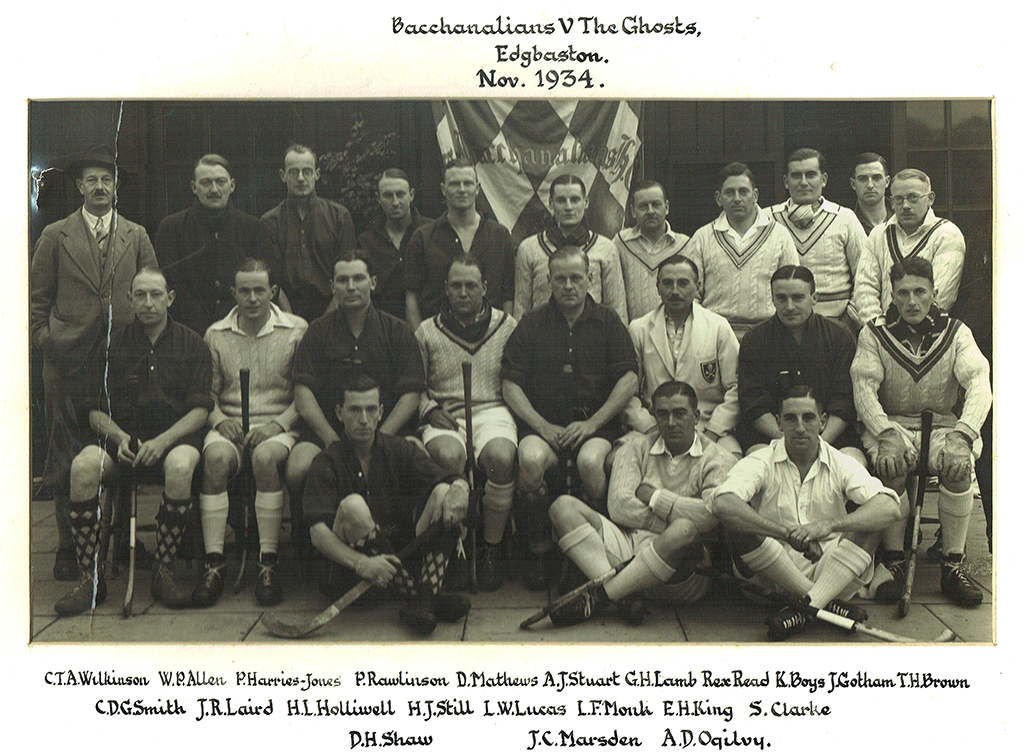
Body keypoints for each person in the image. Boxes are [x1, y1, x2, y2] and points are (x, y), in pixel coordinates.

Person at [30, 147, 158, 582]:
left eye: (107, 179)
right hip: (67, 364)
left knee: (123, 446)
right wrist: (47, 341)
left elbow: (151, 290)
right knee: (65, 451)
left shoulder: (136, 235)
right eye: (91, 180)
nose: (100, 187)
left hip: (121, 362)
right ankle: (69, 546)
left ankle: (121, 537)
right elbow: (35, 303)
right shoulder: (54, 236)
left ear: (116, 185)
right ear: (80, 187)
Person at [55, 267, 213, 616]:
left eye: (156, 294)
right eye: (140, 295)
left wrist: (165, 441)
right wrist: (121, 436)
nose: (148, 303)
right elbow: (94, 410)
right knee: (82, 467)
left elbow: (200, 410)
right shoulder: (111, 345)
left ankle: (164, 570)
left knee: (181, 464)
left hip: (175, 440)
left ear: (170, 298)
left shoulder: (193, 343)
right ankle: (90, 578)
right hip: (122, 443)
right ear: (130, 299)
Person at [851, 257, 991, 607]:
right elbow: (863, 387)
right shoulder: (874, 333)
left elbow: (979, 384)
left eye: (919, 292)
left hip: (943, 424)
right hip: (891, 424)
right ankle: (894, 561)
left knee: (958, 469)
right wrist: (885, 432)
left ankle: (951, 566)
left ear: (934, 293)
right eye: (903, 293)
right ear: (893, 295)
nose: (911, 301)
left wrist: (963, 436)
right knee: (892, 467)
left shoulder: (957, 332)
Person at [711, 386, 901, 640]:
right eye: (790, 418)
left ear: (822, 422)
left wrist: (828, 526)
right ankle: (821, 603)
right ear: (779, 423)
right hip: (770, 571)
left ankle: (804, 607)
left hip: (831, 568)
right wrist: (786, 534)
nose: (800, 427)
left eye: (808, 418)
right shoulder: (761, 460)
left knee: (871, 523)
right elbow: (722, 504)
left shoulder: (840, 461)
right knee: (737, 521)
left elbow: (889, 507)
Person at [502, 246, 639, 589]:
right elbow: (510, 384)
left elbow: (629, 378)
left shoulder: (608, 321)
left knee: (592, 463)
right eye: (560, 278)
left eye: (576, 278)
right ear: (548, 280)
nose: (568, 285)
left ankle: (592, 548)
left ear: (589, 278)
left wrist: (593, 423)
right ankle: (540, 551)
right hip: (543, 424)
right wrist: (541, 426)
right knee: (530, 460)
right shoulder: (531, 323)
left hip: (594, 425)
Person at [546, 381, 736, 626]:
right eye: (662, 414)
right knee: (562, 507)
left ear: (696, 416)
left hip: (681, 573)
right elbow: (619, 507)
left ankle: (604, 595)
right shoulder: (636, 445)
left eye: (680, 413)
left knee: (684, 530)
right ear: (654, 416)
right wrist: (674, 516)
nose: (670, 423)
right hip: (629, 551)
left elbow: (708, 518)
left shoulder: (719, 458)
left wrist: (655, 497)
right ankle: (622, 596)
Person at [303, 374, 472, 636]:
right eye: (354, 410)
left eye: (371, 409)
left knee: (443, 491)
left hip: (398, 563)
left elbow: (448, 477)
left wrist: (460, 490)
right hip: (355, 578)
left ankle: (422, 600)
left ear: (381, 412)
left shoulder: (399, 449)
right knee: (353, 506)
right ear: (339, 413)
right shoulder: (326, 461)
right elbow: (317, 534)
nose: (363, 419)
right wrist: (361, 563)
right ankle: (426, 596)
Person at [194, 258, 308, 608]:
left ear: (273, 292)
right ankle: (214, 565)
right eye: (244, 290)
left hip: (277, 425)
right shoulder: (216, 333)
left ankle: (267, 564)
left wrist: (278, 425)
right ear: (233, 293)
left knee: (264, 458)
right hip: (229, 422)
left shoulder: (296, 329)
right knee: (213, 459)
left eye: (260, 290)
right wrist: (217, 420)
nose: (253, 298)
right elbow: (207, 394)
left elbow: (303, 392)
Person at [290, 253, 425, 521]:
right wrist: (332, 440)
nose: (351, 287)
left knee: (420, 462)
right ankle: (307, 545)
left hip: (388, 432)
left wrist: (380, 440)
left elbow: (411, 395)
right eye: (343, 280)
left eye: (358, 278)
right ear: (332, 287)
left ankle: (408, 542)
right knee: (297, 467)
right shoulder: (316, 332)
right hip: (328, 433)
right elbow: (303, 394)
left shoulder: (397, 331)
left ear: (373, 283)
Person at [414, 255, 519, 591]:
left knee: (501, 458)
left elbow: (517, 380)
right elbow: (413, 386)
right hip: (446, 412)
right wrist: (429, 409)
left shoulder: (507, 326)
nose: (463, 292)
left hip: (493, 409)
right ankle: (454, 548)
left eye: (471, 285)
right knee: (447, 458)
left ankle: (489, 547)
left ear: (484, 287)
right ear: (445, 288)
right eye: (456, 285)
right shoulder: (427, 330)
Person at [737, 266, 863, 462]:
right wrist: (787, 441)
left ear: (814, 297)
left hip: (831, 436)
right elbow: (753, 403)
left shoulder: (839, 336)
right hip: (771, 436)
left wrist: (819, 442)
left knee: (854, 463)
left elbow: (844, 401)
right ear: (772, 299)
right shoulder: (754, 339)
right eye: (781, 298)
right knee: (757, 464)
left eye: (798, 298)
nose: (789, 306)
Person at [626, 255, 741, 456]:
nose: (675, 291)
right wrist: (650, 427)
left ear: (697, 286)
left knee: (732, 460)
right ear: (657, 287)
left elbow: (736, 387)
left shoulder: (717, 327)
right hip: (656, 426)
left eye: (683, 283)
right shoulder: (639, 329)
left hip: (706, 426)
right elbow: (628, 392)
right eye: (667, 283)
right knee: (617, 460)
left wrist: (713, 431)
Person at [156, 154, 273, 336]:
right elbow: (171, 285)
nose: (214, 189)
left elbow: (266, 281)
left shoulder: (254, 228)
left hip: (242, 330)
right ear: (194, 187)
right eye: (206, 183)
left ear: (232, 185)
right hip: (187, 332)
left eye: (221, 182)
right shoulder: (171, 228)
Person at [683, 162, 798, 340]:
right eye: (729, 192)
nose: (737, 198)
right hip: (714, 335)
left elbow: (792, 288)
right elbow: (691, 294)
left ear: (755, 195)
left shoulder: (780, 236)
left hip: (769, 336)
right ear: (718, 198)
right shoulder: (702, 237)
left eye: (743, 191)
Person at [405, 158, 515, 329]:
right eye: (455, 184)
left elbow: (508, 295)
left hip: (490, 337)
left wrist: (503, 334)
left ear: (477, 188)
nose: (462, 190)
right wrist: (420, 342)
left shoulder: (500, 235)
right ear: (443, 189)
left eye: (468, 183)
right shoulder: (423, 238)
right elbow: (411, 297)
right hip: (437, 338)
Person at [853, 168, 966, 324]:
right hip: (881, 331)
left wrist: (903, 330)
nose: (905, 205)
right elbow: (864, 289)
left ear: (930, 198)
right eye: (899, 199)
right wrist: (878, 328)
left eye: (913, 198)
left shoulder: (947, 234)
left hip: (929, 331)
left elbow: (941, 296)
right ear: (891, 202)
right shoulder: (878, 234)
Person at [770, 149, 867, 328]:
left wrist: (849, 317)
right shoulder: (767, 219)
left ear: (824, 179)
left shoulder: (845, 218)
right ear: (786, 181)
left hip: (836, 321)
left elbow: (866, 274)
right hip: (783, 323)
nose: (804, 182)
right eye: (796, 176)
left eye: (811, 175)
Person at [261, 144, 356, 323]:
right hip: (284, 314)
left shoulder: (339, 216)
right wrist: (290, 319)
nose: (301, 178)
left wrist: (327, 318)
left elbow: (347, 271)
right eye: (293, 172)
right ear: (283, 176)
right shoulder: (269, 222)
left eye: (307, 171)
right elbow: (271, 277)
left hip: (334, 311)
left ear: (317, 174)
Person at [514, 173, 627, 323]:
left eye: (574, 200)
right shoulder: (528, 249)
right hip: (543, 339)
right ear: (550, 203)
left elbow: (617, 310)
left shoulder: (606, 249)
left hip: (592, 339)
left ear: (585, 203)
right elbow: (521, 309)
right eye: (561, 200)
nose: (568, 207)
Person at [357, 168, 432, 321]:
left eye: (400, 194)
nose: (395, 202)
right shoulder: (367, 241)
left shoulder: (431, 232)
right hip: (383, 328)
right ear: (378, 198)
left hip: (428, 325)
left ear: (411, 195)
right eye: (388, 196)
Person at [613, 180, 690, 321]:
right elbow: (615, 294)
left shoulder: (685, 244)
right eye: (643, 206)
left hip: (676, 333)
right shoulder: (620, 243)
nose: (650, 211)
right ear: (633, 211)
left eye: (656, 205)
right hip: (634, 334)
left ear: (666, 207)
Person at [850, 152, 893, 235]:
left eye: (876, 178)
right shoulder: (846, 222)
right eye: (863, 179)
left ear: (887, 182)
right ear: (853, 184)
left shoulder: (900, 218)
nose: (870, 185)